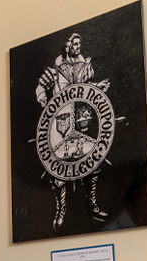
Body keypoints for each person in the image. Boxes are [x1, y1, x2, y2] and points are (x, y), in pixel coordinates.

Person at [36, 32, 110, 230]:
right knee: (59, 167)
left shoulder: (82, 67)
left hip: (80, 119)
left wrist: (98, 86)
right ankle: (61, 210)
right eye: (75, 44)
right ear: (68, 46)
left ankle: (91, 204)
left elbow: (84, 88)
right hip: (61, 122)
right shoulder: (54, 71)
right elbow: (41, 88)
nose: (78, 47)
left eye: (80, 43)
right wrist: (44, 99)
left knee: (90, 160)